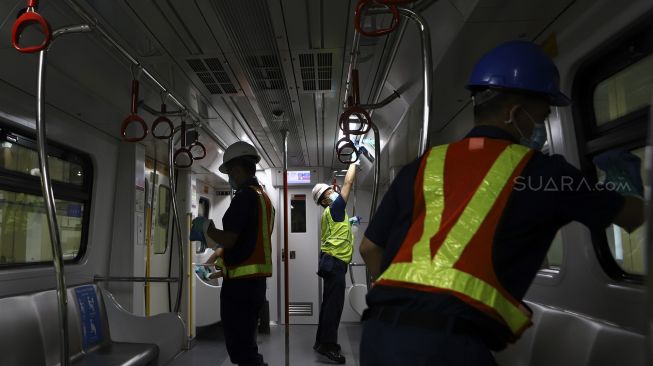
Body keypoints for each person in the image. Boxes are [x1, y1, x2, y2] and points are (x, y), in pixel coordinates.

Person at [358, 40, 644, 366]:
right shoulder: (545, 174)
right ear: (515, 113)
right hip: (447, 347)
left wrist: (407, 299)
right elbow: (632, 216)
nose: (541, 126)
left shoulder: (422, 166)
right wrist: (627, 182)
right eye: (542, 114)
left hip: (378, 337)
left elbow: (369, 247)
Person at [190, 141, 274, 366]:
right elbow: (248, 242)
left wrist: (207, 229)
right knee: (247, 344)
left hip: (241, 288)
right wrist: (220, 266)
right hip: (254, 284)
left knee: (241, 349)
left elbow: (231, 238)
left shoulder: (245, 197)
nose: (229, 178)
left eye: (229, 172)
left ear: (237, 169)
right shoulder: (263, 198)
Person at [311, 161, 360, 364]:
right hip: (335, 262)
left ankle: (321, 342)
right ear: (324, 199)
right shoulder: (334, 206)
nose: (334, 191)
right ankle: (328, 346)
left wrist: (349, 223)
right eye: (330, 191)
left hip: (330, 262)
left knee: (328, 304)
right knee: (334, 306)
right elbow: (348, 181)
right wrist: (354, 162)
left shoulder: (329, 213)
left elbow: (335, 231)